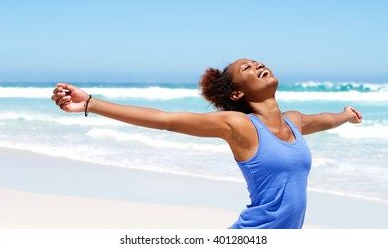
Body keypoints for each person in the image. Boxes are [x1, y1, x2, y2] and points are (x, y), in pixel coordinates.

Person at [51, 59, 362, 229]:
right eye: (247, 69)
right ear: (238, 94)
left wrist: (346, 115)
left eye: (255, 62)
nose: (257, 65)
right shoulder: (239, 125)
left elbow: (326, 118)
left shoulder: (295, 121)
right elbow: (165, 119)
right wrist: (91, 103)